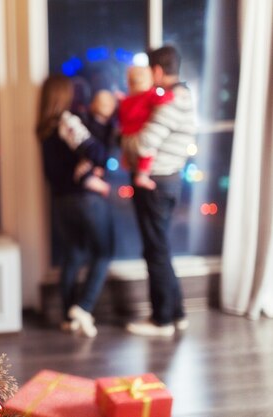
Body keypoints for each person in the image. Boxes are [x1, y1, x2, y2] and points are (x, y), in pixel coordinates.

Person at [125, 45, 196, 337]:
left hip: (155, 182)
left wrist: (124, 137)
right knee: (161, 248)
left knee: (155, 250)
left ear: (157, 70)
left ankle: (162, 320)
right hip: (168, 180)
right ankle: (176, 313)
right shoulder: (184, 95)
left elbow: (143, 143)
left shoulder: (171, 101)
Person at [37, 74, 113, 338]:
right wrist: (89, 166)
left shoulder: (43, 127)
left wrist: (79, 167)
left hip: (60, 201)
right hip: (84, 200)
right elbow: (99, 153)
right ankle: (84, 306)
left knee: (74, 255)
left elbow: (56, 171)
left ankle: (69, 316)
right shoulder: (68, 121)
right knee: (103, 252)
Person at [119, 66, 174, 190]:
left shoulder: (126, 100)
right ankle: (142, 177)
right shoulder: (149, 95)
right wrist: (170, 94)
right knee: (148, 152)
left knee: (129, 155)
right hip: (140, 134)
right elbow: (163, 98)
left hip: (127, 135)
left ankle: (126, 161)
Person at [73, 89, 117, 197]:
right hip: (88, 166)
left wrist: (101, 166)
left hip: (97, 167)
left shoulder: (110, 127)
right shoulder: (87, 121)